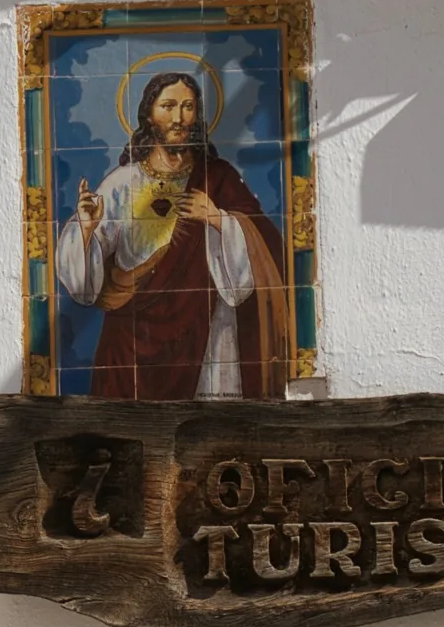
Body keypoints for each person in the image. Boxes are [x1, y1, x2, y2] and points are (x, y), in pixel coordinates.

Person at [55, 67, 290, 399]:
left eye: (188, 106)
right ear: (149, 115)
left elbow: (265, 245)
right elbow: (82, 288)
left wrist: (219, 219)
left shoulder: (217, 178)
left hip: (205, 331)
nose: (179, 117)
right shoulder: (122, 182)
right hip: (133, 337)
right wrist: (86, 227)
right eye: (168, 106)